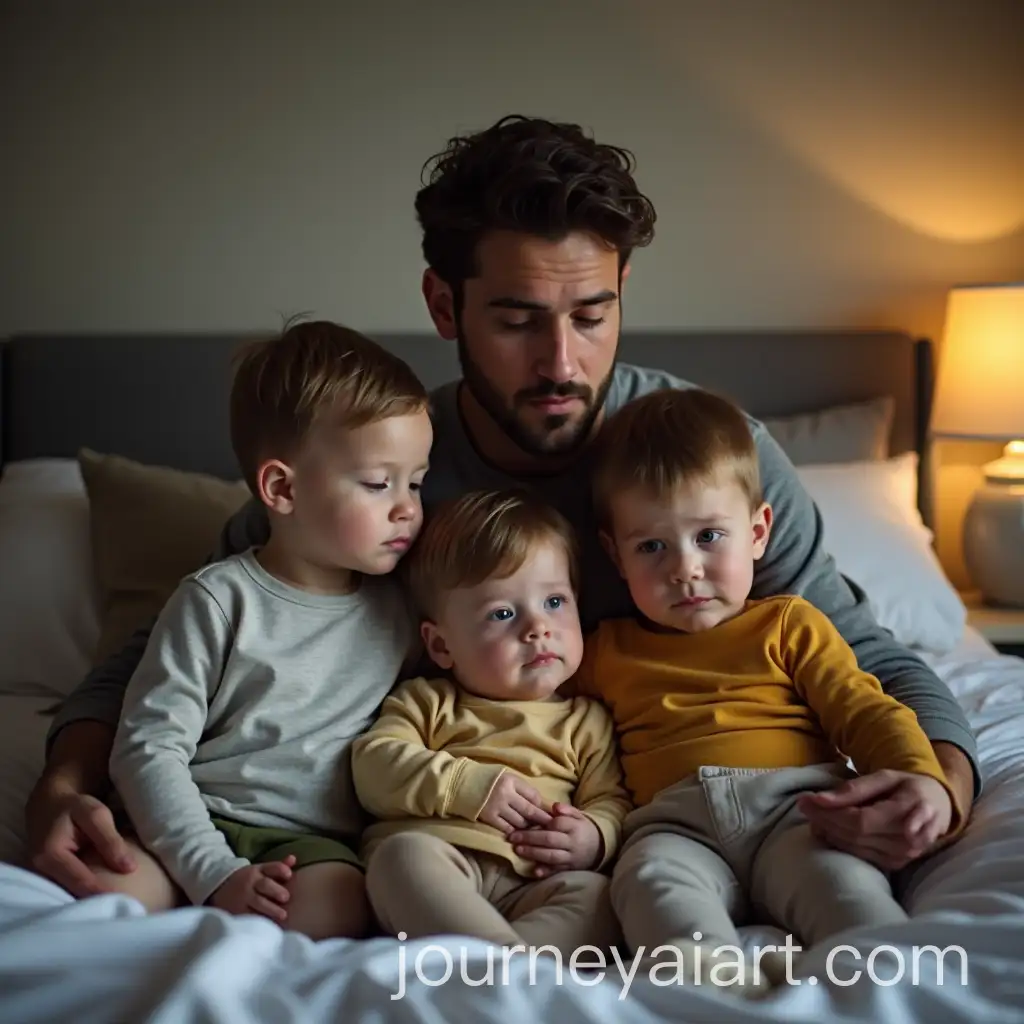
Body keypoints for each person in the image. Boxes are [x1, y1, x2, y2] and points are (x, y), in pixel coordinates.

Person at [26, 114, 977, 903]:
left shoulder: (708, 458)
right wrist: (64, 788)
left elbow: (876, 659)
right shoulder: (379, 472)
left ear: (623, 293)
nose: (561, 363)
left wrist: (940, 781)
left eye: (591, 315)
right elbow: (153, 656)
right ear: (445, 304)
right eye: (519, 320)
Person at [544, 388, 963, 992]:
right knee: (647, 887)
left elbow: (866, 709)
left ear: (760, 531)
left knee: (852, 900)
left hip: (800, 813)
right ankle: (725, 991)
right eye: (652, 546)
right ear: (615, 554)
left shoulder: (788, 623)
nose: (684, 568)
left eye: (709, 536)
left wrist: (921, 776)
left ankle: (880, 991)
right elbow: (537, 713)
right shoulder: (603, 649)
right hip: (673, 828)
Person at [94, 321, 432, 939]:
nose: (408, 506)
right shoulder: (217, 600)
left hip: (308, 845)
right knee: (109, 898)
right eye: (380, 483)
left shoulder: (403, 613)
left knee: (337, 908)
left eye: (416, 481)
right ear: (282, 488)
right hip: (193, 817)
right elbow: (146, 747)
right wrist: (212, 870)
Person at [351, 489, 630, 956]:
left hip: (535, 884)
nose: (538, 628)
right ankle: (507, 964)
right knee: (399, 859)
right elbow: (373, 767)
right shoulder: (427, 702)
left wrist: (594, 837)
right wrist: (467, 785)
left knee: (601, 896)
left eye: (556, 602)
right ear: (441, 646)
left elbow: (612, 801)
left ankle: (504, 968)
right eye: (502, 613)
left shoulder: (587, 721)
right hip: (442, 866)